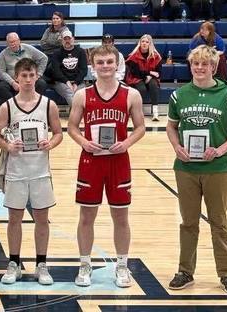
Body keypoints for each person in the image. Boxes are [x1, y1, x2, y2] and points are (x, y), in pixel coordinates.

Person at [165, 44, 227, 296]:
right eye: (195, 64)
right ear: (190, 66)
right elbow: (171, 127)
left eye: (204, 64)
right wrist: (177, 147)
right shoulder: (179, 95)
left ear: (213, 67)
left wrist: (221, 149)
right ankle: (185, 271)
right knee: (188, 222)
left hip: (217, 168)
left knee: (219, 222)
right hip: (186, 167)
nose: (199, 68)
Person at [67, 44, 145, 288]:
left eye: (109, 62)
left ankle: (122, 265)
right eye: (100, 63)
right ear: (93, 65)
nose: (105, 66)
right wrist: (83, 142)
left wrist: (127, 143)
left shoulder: (131, 94)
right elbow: (71, 127)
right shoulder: (82, 95)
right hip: (91, 161)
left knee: (121, 216)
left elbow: (140, 127)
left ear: (117, 63)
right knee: (86, 215)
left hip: (118, 160)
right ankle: (85, 264)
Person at [0, 58, 63, 286]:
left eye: (31, 75)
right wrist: (8, 146)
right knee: (14, 219)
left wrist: (50, 144)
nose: (27, 79)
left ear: (37, 76)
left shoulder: (48, 104)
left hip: (41, 171)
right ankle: (14, 263)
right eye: (23, 76)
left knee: (42, 219)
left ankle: (41, 264)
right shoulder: (8, 106)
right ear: (16, 78)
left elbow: (58, 134)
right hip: (16, 171)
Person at [0, 32, 48, 102]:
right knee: (1, 87)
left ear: (19, 41)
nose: (12, 44)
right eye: (10, 42)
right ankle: (14, 106)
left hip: (29, 78)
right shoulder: (3, 54)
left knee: (41, 83)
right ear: (7, 43)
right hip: (13, 80)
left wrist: (38, 74)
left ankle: (34, 104)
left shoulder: (29, 48)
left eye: (14, 41)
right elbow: (1, 72)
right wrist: (12, 83)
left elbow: (44, 58)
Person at [125, 34, 163, 121]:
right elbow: (135, 73)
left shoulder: (156, 56)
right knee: (142, 89)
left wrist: (150, 76)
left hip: (150, 78)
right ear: (139, 43)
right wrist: (149, 73)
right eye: (143, 41)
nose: (144, 43)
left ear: (150, 44)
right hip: (136, 78)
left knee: (154, 84)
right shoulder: (133, 56)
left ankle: (155, 111)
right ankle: (136, 111)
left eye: (147, 42)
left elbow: (159, 74)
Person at [48, 30, 86, 107]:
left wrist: (76, 83)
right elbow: (56, 71)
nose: (67, 41)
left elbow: (84, 70)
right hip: (61, 82)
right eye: (65, 39)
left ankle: (75, 114)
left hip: (78, 82)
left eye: (69, 38)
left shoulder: (81, 51)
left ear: (73, 39)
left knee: (80, 94)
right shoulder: (56, 53)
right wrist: (66, 82)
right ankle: (79, 116)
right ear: (61, 40)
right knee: (70, 92)